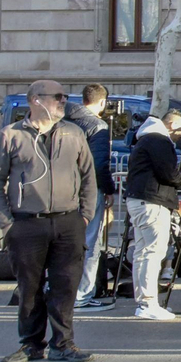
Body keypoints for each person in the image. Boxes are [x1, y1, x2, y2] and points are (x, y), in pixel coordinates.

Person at [0, 79, 99, 362]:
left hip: (68, 222)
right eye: (57, 97)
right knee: (30, 288)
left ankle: (63, 344)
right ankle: (30, 344)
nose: (63, 101)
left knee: (65, 286)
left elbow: (89, 177)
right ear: (36, 100)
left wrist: (85, 216)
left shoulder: (73, 133)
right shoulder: (11, 135)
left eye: (64, 96)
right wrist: (7, 225)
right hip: (26, 224)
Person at [124, 111, 181, 320]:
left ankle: (144, 301)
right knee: (152, 253)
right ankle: (148, 303)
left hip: (140, 199)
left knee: (143, 252)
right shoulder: (159, 140)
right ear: (171, 124)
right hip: (152, 201)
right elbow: (168, 174)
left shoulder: (146, 138)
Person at [68, 84, 118, 313]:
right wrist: (108, 189)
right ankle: (82, 294)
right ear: (102, 102)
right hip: (87, 190)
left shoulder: (63, 121)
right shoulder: (97, 125)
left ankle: (61, 291)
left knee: (63, 242)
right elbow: (98, 165)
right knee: (89, 241)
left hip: (61, 190)